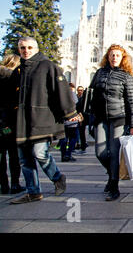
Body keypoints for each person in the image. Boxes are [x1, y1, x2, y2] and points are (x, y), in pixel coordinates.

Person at [8, 37, 79, 204]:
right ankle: (33, 192)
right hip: (22, 122)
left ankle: (57, 177)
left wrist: (69, 112)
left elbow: (61, 90)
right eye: (23, 48)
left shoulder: (47, 66)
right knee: (25, 159)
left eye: (29, 47)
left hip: (41, 120)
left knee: (41, 154)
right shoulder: (18, 71)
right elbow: (9, 98)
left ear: (36, 48)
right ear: (19, 50)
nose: (26, 50)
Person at [88, 44, 133, 201]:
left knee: (114, 153)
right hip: (101, 118)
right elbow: (91, 95)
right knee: (100, 153)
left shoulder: (126, 76)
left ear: (122, 58)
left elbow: (131, 101)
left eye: (117, 55)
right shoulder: (99, 73)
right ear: (107, 57)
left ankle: (114, 186)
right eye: (112, 55)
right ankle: (112, 175)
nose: (114, 57)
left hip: (119, 118)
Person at [0, 54, 25, 194]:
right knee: (13, 154)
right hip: (11, 122)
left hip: (0, 123)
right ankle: (15, 184)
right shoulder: (14, 78)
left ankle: (3, 185)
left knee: (1, 156)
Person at [60, 82, 79, 162]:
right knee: (73, 138)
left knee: (63, 139)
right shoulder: (72, 94)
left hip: (62, 120)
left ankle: (63, 155)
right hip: (72, 120)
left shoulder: (60, 94)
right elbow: (76, 103)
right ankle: (68, 154)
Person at [75, 86, 89, 154]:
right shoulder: (77, 97)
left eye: (81, 90)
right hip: (79, 117)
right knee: (80, 133)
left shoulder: (84, 98)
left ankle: (83, 146)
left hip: (82, 118)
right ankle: (82, 145)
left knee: (82, 133)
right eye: (78, 90)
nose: (80, 91)